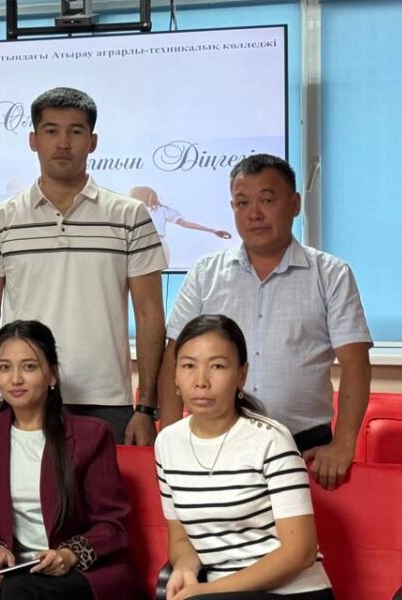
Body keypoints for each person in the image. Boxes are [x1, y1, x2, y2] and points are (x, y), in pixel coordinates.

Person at [158, 154, 372, 490]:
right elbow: (174, 356)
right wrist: (171, 441)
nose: (254, 213)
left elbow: (355, 363)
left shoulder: (331, 274)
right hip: (216, 448)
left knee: (299, 526)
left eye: (267, 200)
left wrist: (344, 443)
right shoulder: (205, 273)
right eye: (242, 203)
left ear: (295, 204)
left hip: (304, 449)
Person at [0, 87, 166, 445]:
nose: (62, 143)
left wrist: (146, 407)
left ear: (92, 141)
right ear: (33, 140)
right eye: (51, 131)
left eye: (75, 131)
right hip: (23, 398)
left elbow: (150, 313)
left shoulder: (129, 215)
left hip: (106, 400)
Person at [158, 314, 333, 600]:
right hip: (218, 594)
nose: (201, 381)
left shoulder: (271, 439)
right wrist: (185, 568)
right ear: (175, 374)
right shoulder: (167, 443)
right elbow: (180, 538)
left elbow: (300, 552)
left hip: (292, 592)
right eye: (188, 366)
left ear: (241, 374)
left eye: (217, 366)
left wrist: (206, 590)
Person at [0, 320, 139, 600]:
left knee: (15, 593)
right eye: (5, 367)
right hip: (16, 574)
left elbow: (111, 523)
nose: (15, 379)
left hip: (81, 573)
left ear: (52, 375)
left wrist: (68, 555)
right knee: (14, 590)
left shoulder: (91, 436)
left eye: (29, 367)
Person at [128, 185, 232, 265]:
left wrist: (213, 230)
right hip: (144, 245)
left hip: (154, 245)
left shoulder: (161, 210)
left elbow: (185, 223)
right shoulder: (134, 211)